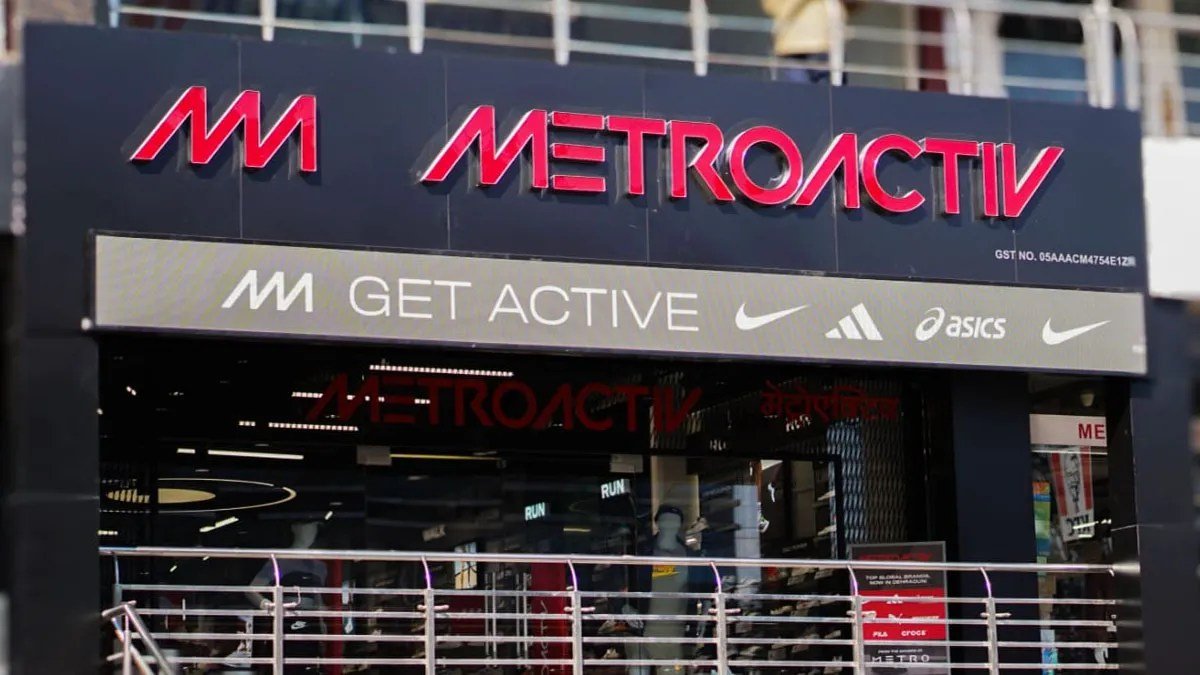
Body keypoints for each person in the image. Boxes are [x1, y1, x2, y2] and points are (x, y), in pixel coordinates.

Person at [761, 0, 855, 85]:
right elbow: (770, 5)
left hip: (829, 46)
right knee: (798, 94)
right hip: (793, 48)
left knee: (829, 94)